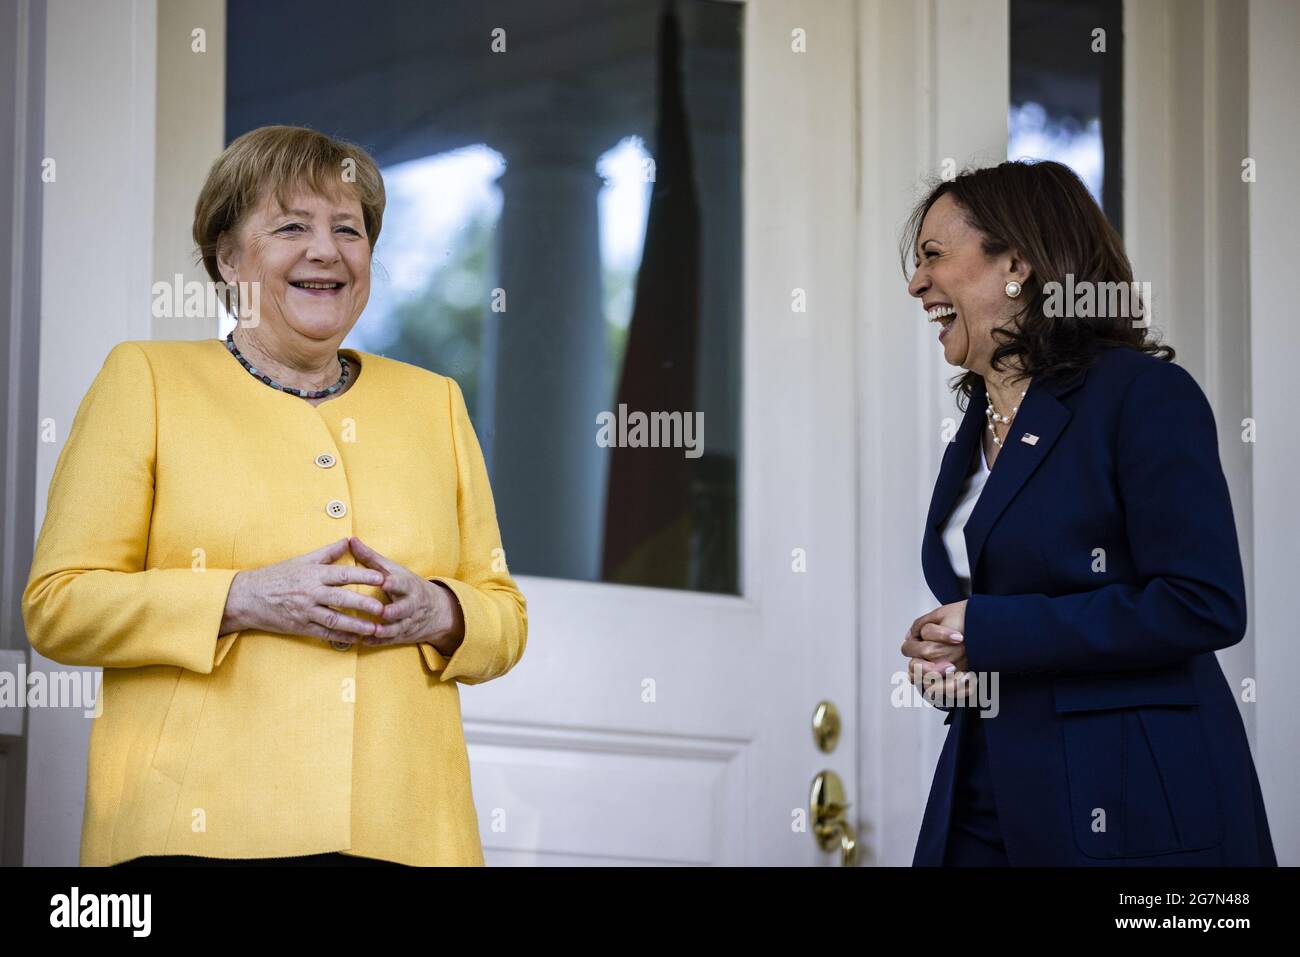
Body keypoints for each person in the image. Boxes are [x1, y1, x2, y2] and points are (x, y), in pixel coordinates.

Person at [22, 125, 527, 866]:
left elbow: (503, 612)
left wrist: (441, 609)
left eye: (348, 230)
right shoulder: (148, 380)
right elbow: (58, 603)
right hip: (195, 835)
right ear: (229, 258)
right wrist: (244, 596)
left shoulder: (435, 404)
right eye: (292, 226)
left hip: (408, 838)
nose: (326, 250)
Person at [899, 159, 1275, 866]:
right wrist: (956, 661)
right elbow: (1004, 617)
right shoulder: (978, 424)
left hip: (1129, 805)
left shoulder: (1143, 396)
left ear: (1016, 261)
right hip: (982, 796)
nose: (916, 282)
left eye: (933, 256)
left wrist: (992, 628)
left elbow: (1203, 603)